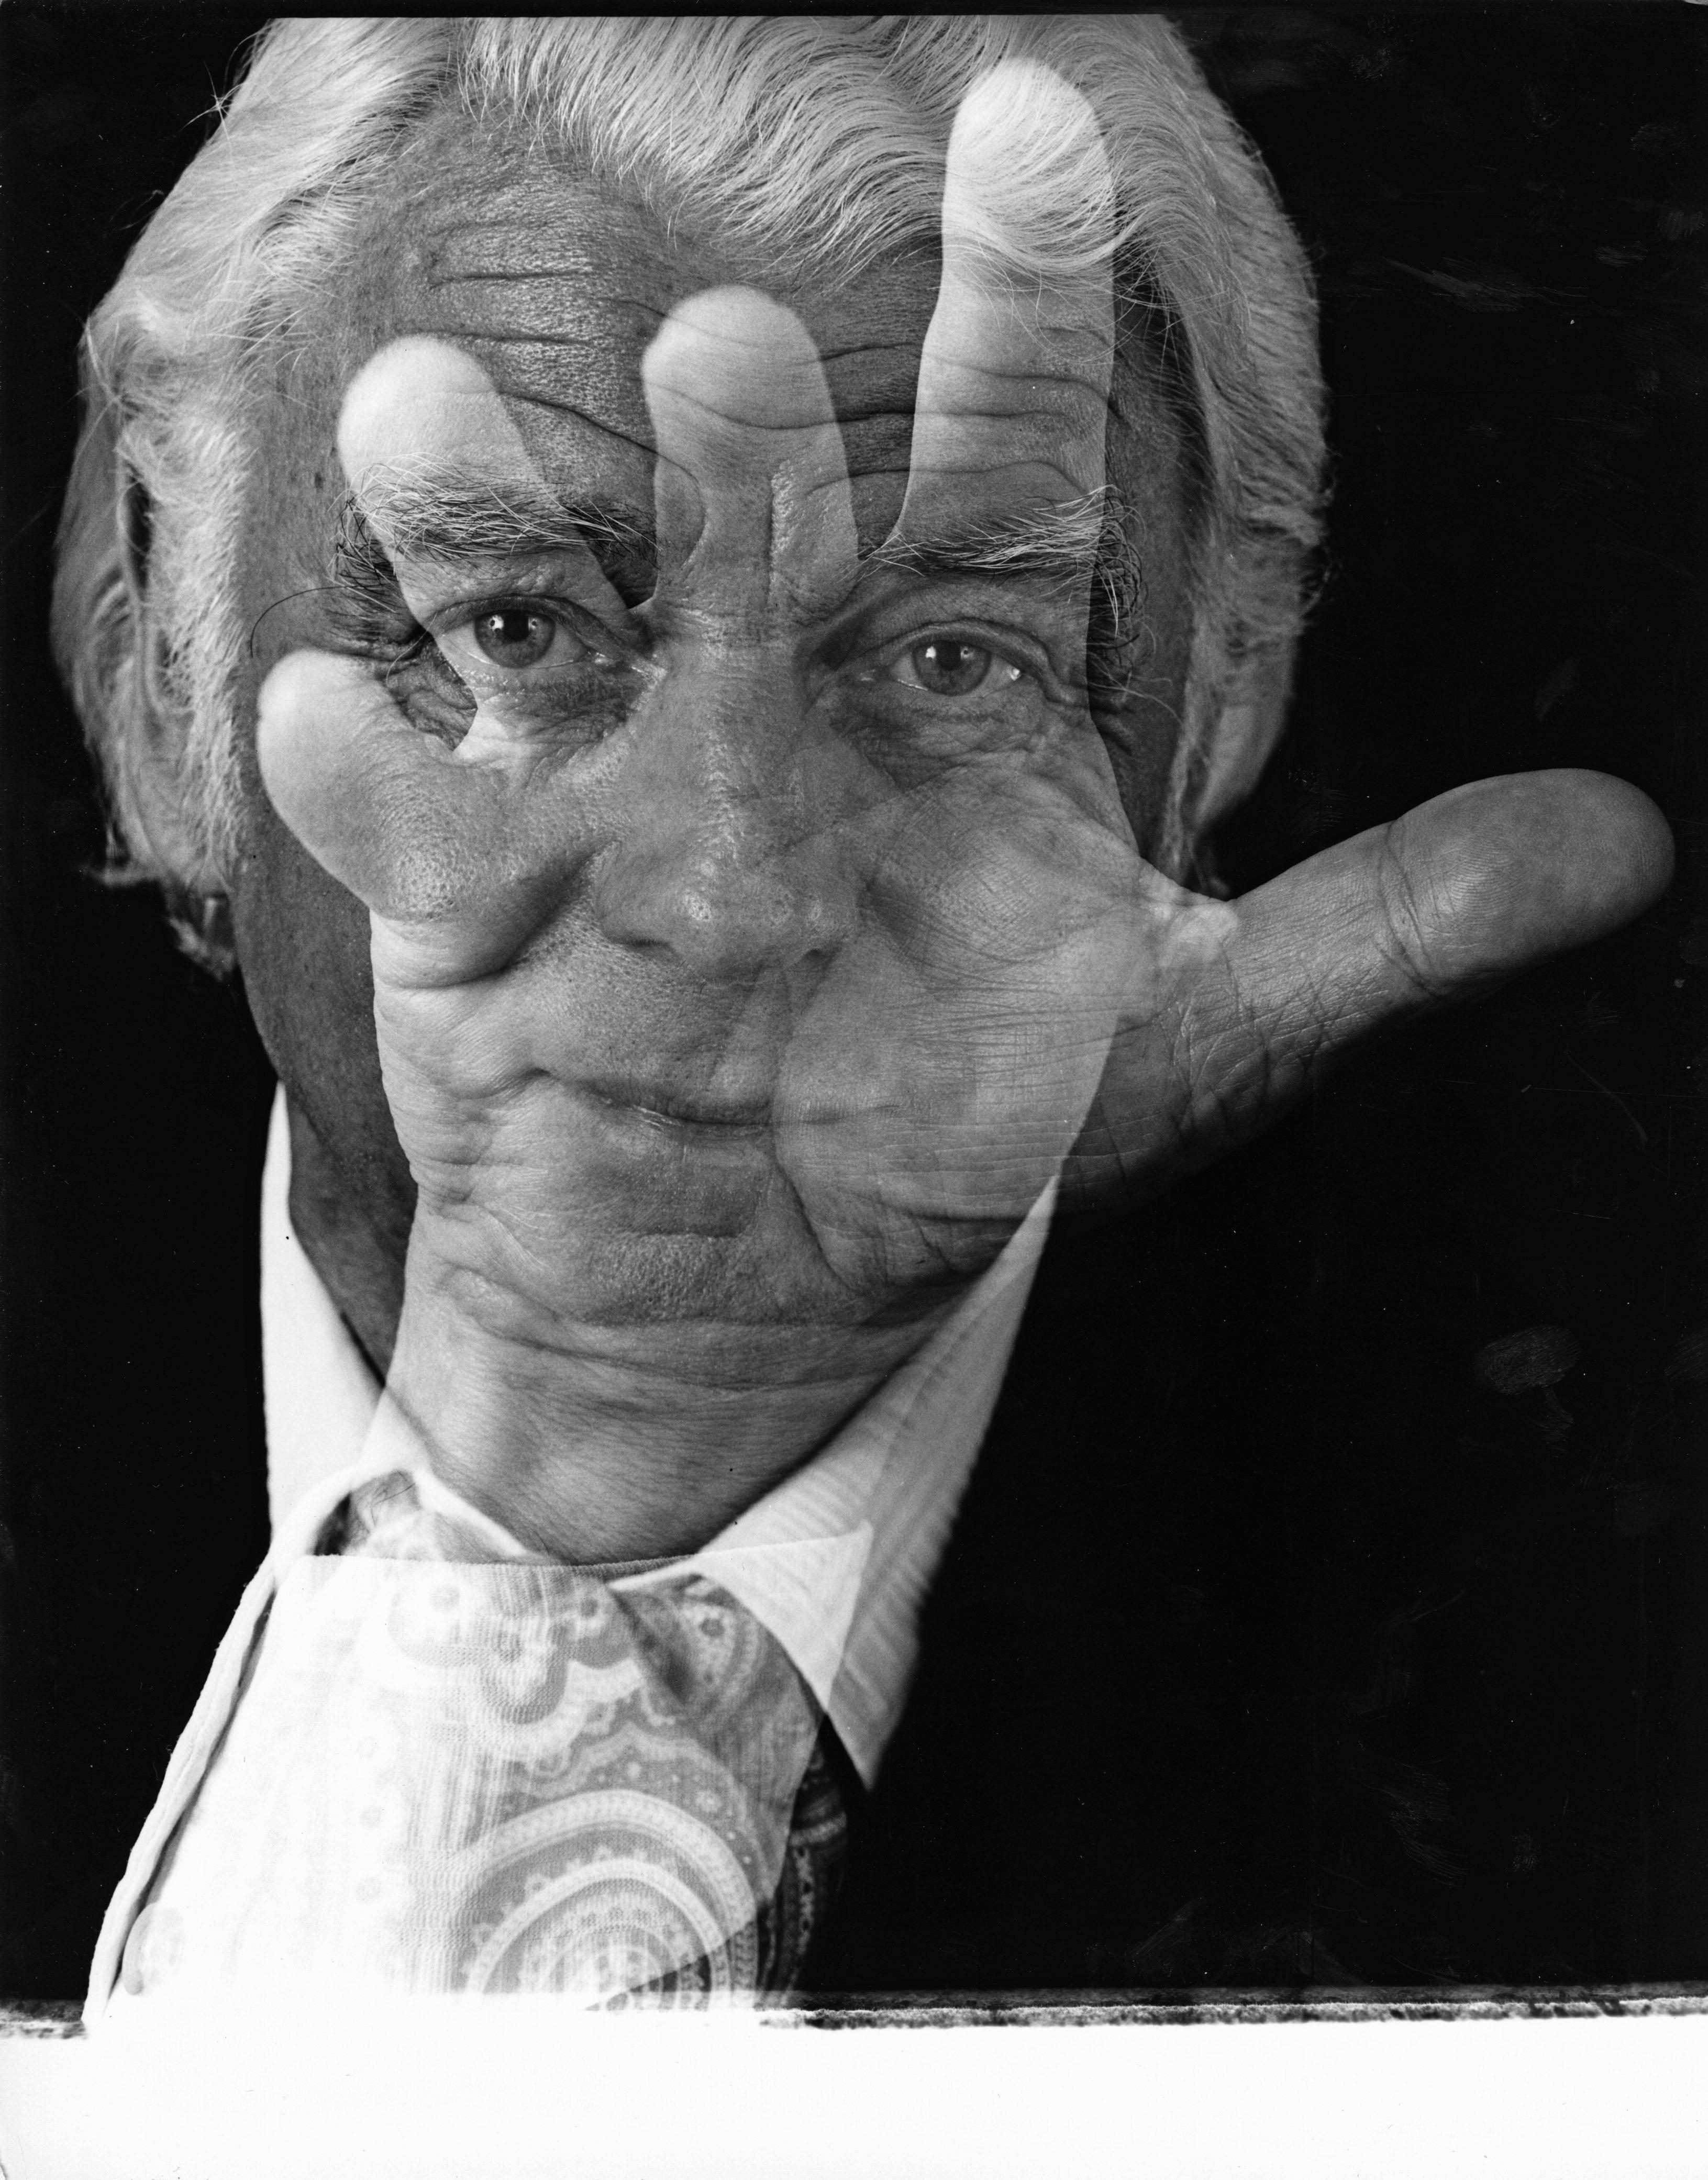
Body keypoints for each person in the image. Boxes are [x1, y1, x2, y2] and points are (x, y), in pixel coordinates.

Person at [49, 15, 1671, 2012]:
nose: (734, 893)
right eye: (516, 630)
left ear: (1218, 709)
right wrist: (527, 1531)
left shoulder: (1587, 1630)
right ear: (162, 663)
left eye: (954, 660)